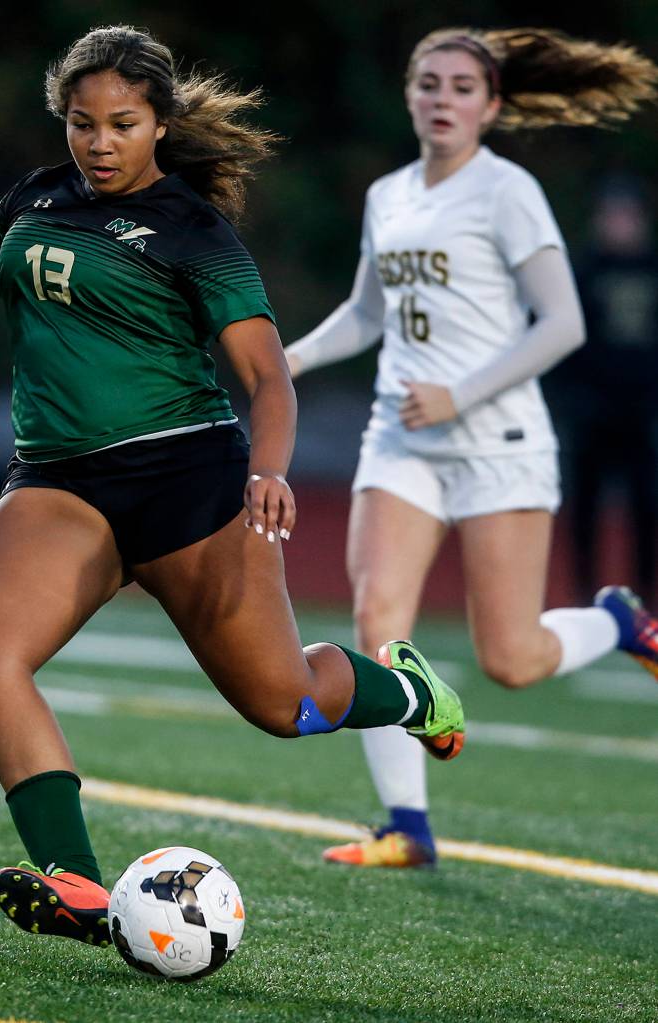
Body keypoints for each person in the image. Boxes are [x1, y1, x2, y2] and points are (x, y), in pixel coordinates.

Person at [0, 25, 465, 945]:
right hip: (59, 483)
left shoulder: (194, 231)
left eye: (121, 123)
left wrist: (269, 469)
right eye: (82, 123)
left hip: (190, 484)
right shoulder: (32, 199)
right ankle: (75, 885)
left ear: (159, 123)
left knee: (287, 706)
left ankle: (408, 695)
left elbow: (268, 376)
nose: (99, 142)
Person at [284, 28, 658, 869]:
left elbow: (563, 322)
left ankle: (616, 619)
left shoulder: (507, 191)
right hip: (401, 438)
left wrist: (461, 392)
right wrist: (294, 356)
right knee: (380, 617)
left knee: (512, 659)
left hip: (499, 441)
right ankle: (406, 828)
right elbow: (368, 314)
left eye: (460, 86)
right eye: (427, 83)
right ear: (409, 96)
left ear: (489, 106)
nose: (442, 98)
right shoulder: (388, 194)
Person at [551, 179, 658, 606]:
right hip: (591, 411)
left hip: (643, 412)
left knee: (647, 507)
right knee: (585, 508)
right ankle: (584, 595)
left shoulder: (652, 269)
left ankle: (642, 596)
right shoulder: (583, 271)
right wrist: (572, 400)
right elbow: (560, 339)